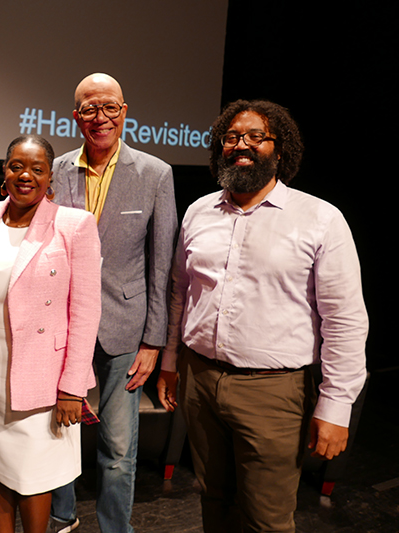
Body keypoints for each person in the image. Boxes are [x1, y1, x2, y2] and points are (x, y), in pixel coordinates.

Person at [157, 99, 368, 532]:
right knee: (213, 498)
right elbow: (180, 293)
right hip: (199, 381)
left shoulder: (321, 219)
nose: (241, 145)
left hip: (273, 393)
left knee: (266, 520)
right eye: (231, 137)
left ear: (280, 148)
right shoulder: (199, 212)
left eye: (256, 136)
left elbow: (344, 321)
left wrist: (336, 405)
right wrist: (170, 364)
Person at [49, 73, 177, 533]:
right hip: (63, 328)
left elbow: (161, 267)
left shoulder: (156, 174)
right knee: (58, 435)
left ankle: (114, 529)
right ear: (75, 116)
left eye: (109, 107)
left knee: (119, 450)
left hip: (125, 329)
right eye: (89, 109)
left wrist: (153, 341)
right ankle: (62, 516)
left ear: (124, 112)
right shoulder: (55, 170)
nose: (99, 118)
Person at [0, 135, 101, 533]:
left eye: (37, 168)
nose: (26, 175)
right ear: (4, 171)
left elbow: (86, 311)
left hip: (42, 373)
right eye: (16, 166)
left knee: (34, 473)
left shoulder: (74, 225)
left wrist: (73, 387)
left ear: (49, 176)